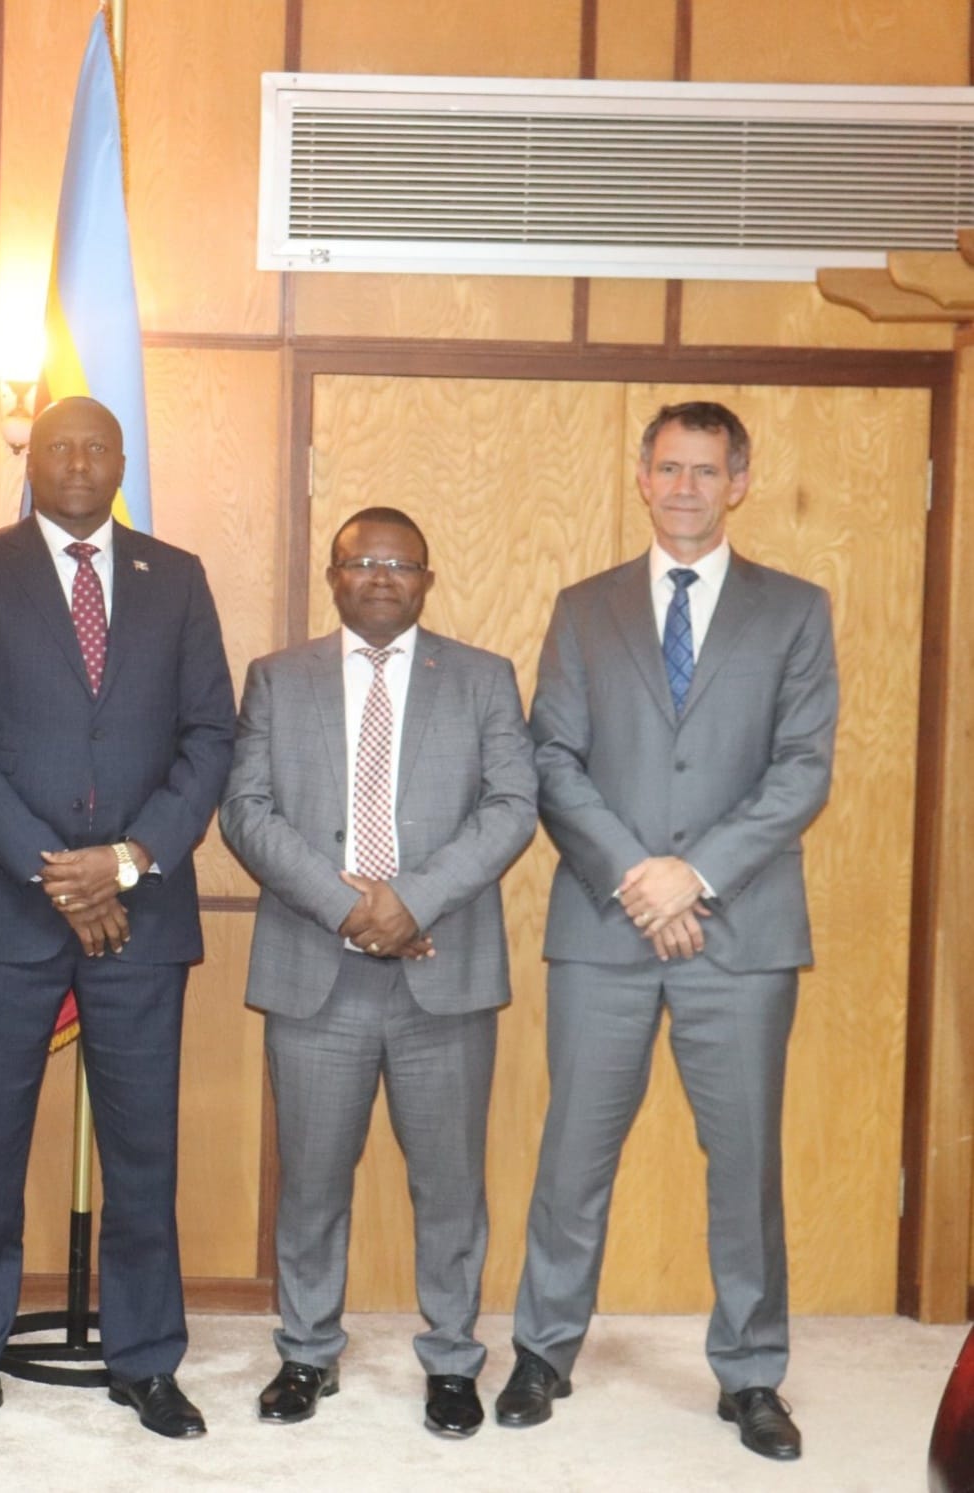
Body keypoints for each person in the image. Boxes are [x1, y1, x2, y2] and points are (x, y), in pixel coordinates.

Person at [496, 401, 838, 1462]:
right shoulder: (582, 607)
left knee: (744, 1164)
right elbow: (550, 757)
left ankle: (750, 1372)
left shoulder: (794, 610)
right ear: (641, 478)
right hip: (604, 925)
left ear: (738, 481)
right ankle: (542, 1349)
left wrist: (693, 875)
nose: (685, 486)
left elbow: (801, 769)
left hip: (742, 936)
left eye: (705, 469)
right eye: (668, 468)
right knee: (572, 1151)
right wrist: (637, 876)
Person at [0, 395, 236, 1443]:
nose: (79, 462)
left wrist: (127, 859)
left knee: (143, 1153)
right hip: (7, 906)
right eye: (59, 446)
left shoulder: (175, 575)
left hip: (142, 910)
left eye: (97, 446)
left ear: (122, 459)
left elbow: (210, 735)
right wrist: (54, 870)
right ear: (31, 462)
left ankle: (146, 1360)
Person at [220, 507, 536, 1439]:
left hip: (444, 968)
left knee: (449, 1183)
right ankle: (306, 1351)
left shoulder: (482, 678)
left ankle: (452, 1360)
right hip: (314, 966)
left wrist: (410, 901)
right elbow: (245, 810)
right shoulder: (277, 678)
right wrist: (347, 905)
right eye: (362, 561)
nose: (381, 575)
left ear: (426, 580)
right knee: (312, 1179)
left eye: (400, 563)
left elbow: (512, 805)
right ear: (333, 575)